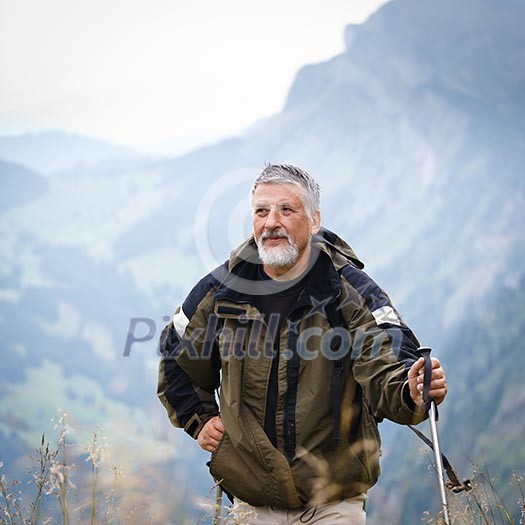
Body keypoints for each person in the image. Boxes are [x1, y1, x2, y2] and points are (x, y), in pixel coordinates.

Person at [157, 164, 447, 524]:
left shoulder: (351, 292)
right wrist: (198, 417)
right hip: (250, 501)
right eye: (261, 211)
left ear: (314, 220)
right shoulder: (222, 290)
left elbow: (389, 362)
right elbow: (175, 351)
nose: (271, 222)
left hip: (333, 502)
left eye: (286, 210)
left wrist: (413, 389)